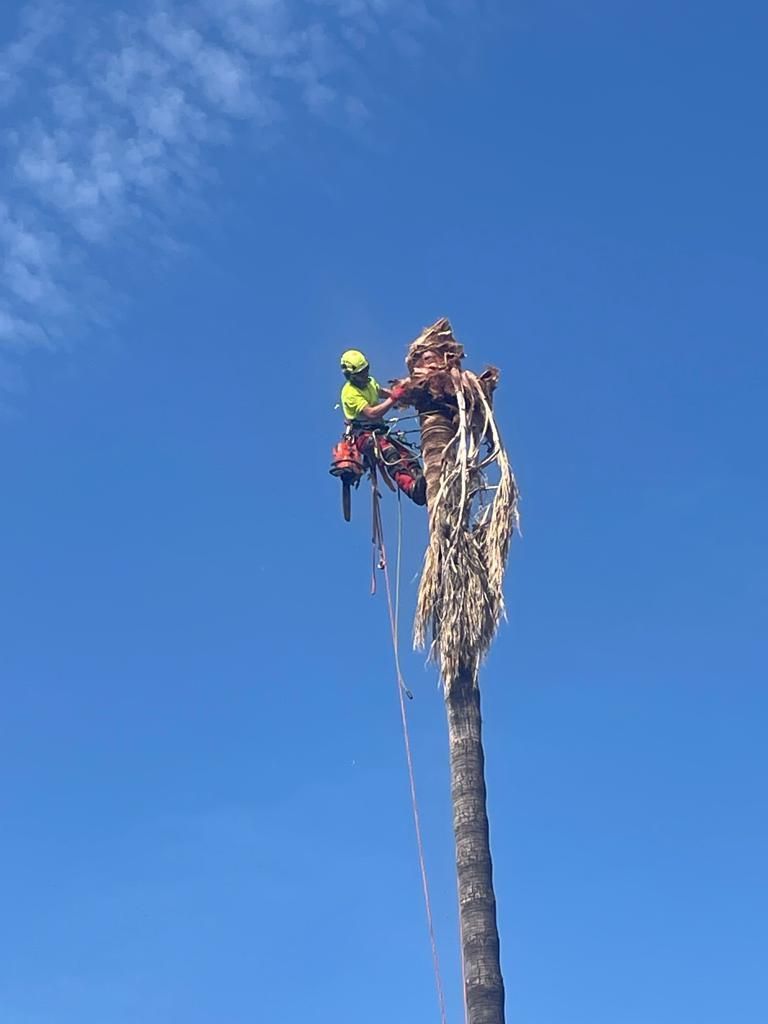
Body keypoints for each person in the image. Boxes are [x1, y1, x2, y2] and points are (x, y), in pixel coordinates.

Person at [339, 349, 427, 505]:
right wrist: (394, 398)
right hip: (363, 436)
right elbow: (372, 413)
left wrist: (405, 396)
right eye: (360, 373)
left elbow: (380, 392)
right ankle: (412, 489)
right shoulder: (350, 393)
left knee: (408, 456)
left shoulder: (369, 381)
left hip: (379, 433)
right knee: (390, 454)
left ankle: (423, 482)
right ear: (350, 376)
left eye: (366, 370)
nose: (365, 375)